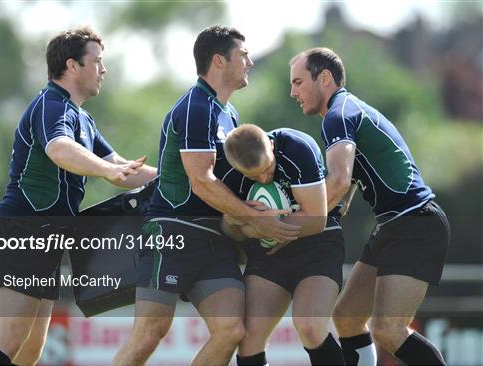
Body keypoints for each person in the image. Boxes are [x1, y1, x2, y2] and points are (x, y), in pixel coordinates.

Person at [113, 26, 300, 366]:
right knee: (149, 334)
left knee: (231, 330)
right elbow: (201, 180)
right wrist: (257, 218)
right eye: (243, 55)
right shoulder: (196, 107)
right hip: (173, 233)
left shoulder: (230, 115)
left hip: (215, 239)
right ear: (219, 60)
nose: (251, 62)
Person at [0, 26, 157, 366]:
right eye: (97, 61)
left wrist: (178, 180)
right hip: (22, 229)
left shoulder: (81, 116)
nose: (104, 69)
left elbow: (122, 168)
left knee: (28, 353)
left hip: (45, 235)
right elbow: (59, 149)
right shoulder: (51, 105)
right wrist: (105, 170)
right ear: (72, 66)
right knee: (7, 341)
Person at [289, 47, 450, 366]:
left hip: (416, 223)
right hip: (394, 225)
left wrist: (292, 227)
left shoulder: (338, 114)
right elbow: (344, 189)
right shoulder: (345, 111)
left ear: (324, 79)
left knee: (389, 330)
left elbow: (336, 184)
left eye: (297, 82)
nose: (293, 92)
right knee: (347, 317)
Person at [221, 124, 346, 366]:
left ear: (271, 145)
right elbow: (231, 232)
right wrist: (233, 220)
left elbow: (316, 220)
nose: (264, 178)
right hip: (268, 253)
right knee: (248, 340)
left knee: (309, 325)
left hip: (316, 245)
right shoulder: (226, 169)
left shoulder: (297, 148)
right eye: (253, 176)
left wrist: (263, 226)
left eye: (267, 168)